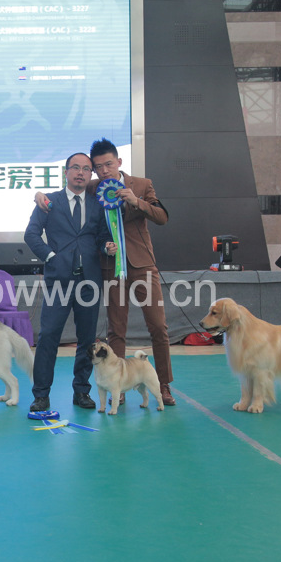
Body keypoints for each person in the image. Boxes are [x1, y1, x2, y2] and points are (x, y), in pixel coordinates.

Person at [34, 138, 176, 407]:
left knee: (158, 327)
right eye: (98, 167)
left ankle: (163, 384)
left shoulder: (142, 185)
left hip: (143, 265)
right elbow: (65, 191)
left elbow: (162, 216)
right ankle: (117, 388)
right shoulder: (91, 186)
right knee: (116, 330)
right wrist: (38, 195)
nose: (103, 171)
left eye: (108, 164)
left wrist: (136, 201)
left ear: (119, 161)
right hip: (110, 267)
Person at [23, 153, 111, 412]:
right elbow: (31, 233)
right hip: (58, 281)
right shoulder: (49, 201)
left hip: (89, 282)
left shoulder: (98, 204)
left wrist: (107, 246)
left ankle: (82, 391)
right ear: (66, 171)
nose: (80, 173)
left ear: (90, 174)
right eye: (75, 168)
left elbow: (101, 237)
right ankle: (41, 395)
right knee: (48, 336)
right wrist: (50, 256)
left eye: (86, 169)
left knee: (87, 340)